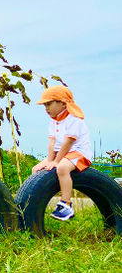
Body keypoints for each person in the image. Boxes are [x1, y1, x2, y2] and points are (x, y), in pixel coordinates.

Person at [32, 85, 92, 221]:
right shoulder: (53, 122)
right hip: (63, 154)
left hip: (79, 153)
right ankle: (36, 204)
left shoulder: (74, 119)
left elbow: (68, 143)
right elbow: (52, 143)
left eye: (48, 104)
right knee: (36, 169)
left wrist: (56, 161)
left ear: (62, 103)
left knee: (62, 168)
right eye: (44, 105)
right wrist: (49, 160)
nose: (46, 108)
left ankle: (66, 205)